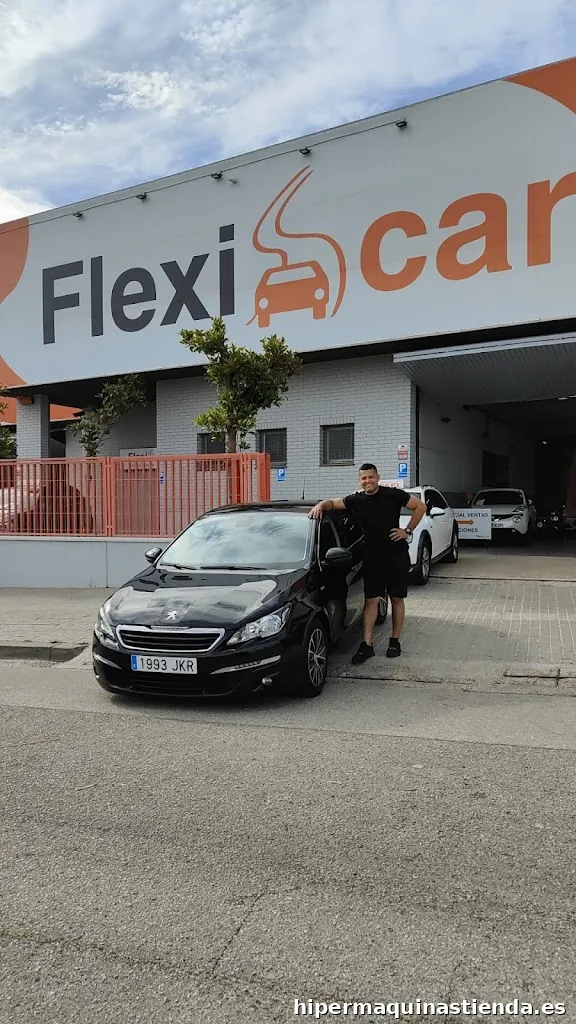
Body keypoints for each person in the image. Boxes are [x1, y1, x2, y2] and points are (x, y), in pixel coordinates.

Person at [309, 463, 426, 664]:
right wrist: (320, 505)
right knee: (371, 600)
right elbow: (333, 503)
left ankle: (394, 641)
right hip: (372, 557)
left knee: (397, 598)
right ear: (359, 480)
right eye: (363, 478)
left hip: (396, 555)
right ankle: (367, 645)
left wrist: (407, 531)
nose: (367, 481)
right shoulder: (356, 500)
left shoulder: (393, 494)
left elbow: (420, 507)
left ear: (377, 477)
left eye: (370, 477)